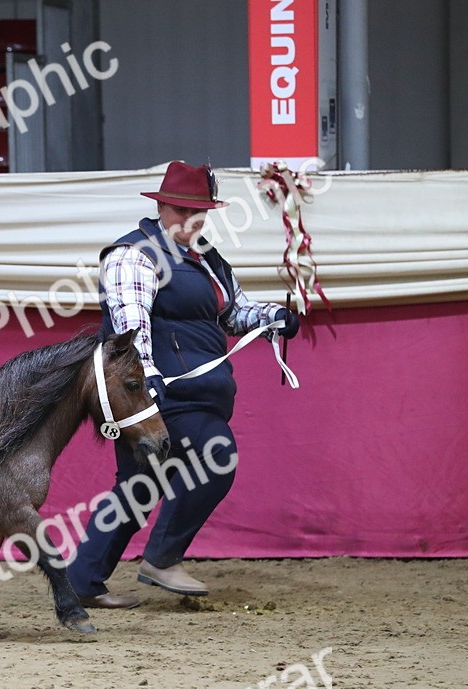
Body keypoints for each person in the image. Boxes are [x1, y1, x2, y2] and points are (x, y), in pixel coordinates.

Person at [66, 161, 300, 608]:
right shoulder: (134, 255)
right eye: (179, 210)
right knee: (217, 455)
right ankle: (161, 559)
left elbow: (233, 313)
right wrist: (150, 379)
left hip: (193, 391)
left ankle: (81, 582)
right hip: (157, 395)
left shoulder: (208, 260)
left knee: (139, 488)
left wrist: (273, 318)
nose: (189, 221)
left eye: (199, 213)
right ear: (161, 206)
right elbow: (131, 325)